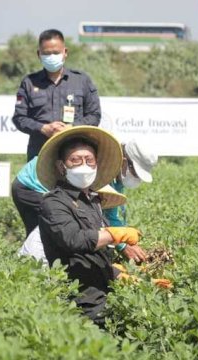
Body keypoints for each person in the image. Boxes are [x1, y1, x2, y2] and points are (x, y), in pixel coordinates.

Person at [36, 126, 146, 326]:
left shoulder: (93, 201)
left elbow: (95, 256)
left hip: (104, 293)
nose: (84, 165)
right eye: (75, 160)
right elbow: (74, 240)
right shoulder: (53, 202)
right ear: (62, 166)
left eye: (89, 160)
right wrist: (114, 234)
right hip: (78, 300)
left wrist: (124, 277)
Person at [12, 29, 101, 161]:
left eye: (56, 52)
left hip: (75, 155)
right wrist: (43, 128)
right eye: (47, 53)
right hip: (39, 155)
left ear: (65, 52)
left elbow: (94, 116)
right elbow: (19, 118)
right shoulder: (29, 82)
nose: (52, 57)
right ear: (39, 54)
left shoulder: (82, 81)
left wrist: (71, 128)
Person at [18, 184, 127, 263]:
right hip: (39, 266)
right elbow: (78, 243)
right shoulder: (64, 212)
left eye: (100, 199)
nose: (96, 202)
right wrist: (115, 235)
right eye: (94, 197)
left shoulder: (96, 218)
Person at [104, 139, 158, 260]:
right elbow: (94, 217)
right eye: (135, 173)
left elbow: (110, 215)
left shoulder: (117, 179)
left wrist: (128, 240)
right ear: (124, 161)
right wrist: (122, 245)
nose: (136, 178)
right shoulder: (102, 171)